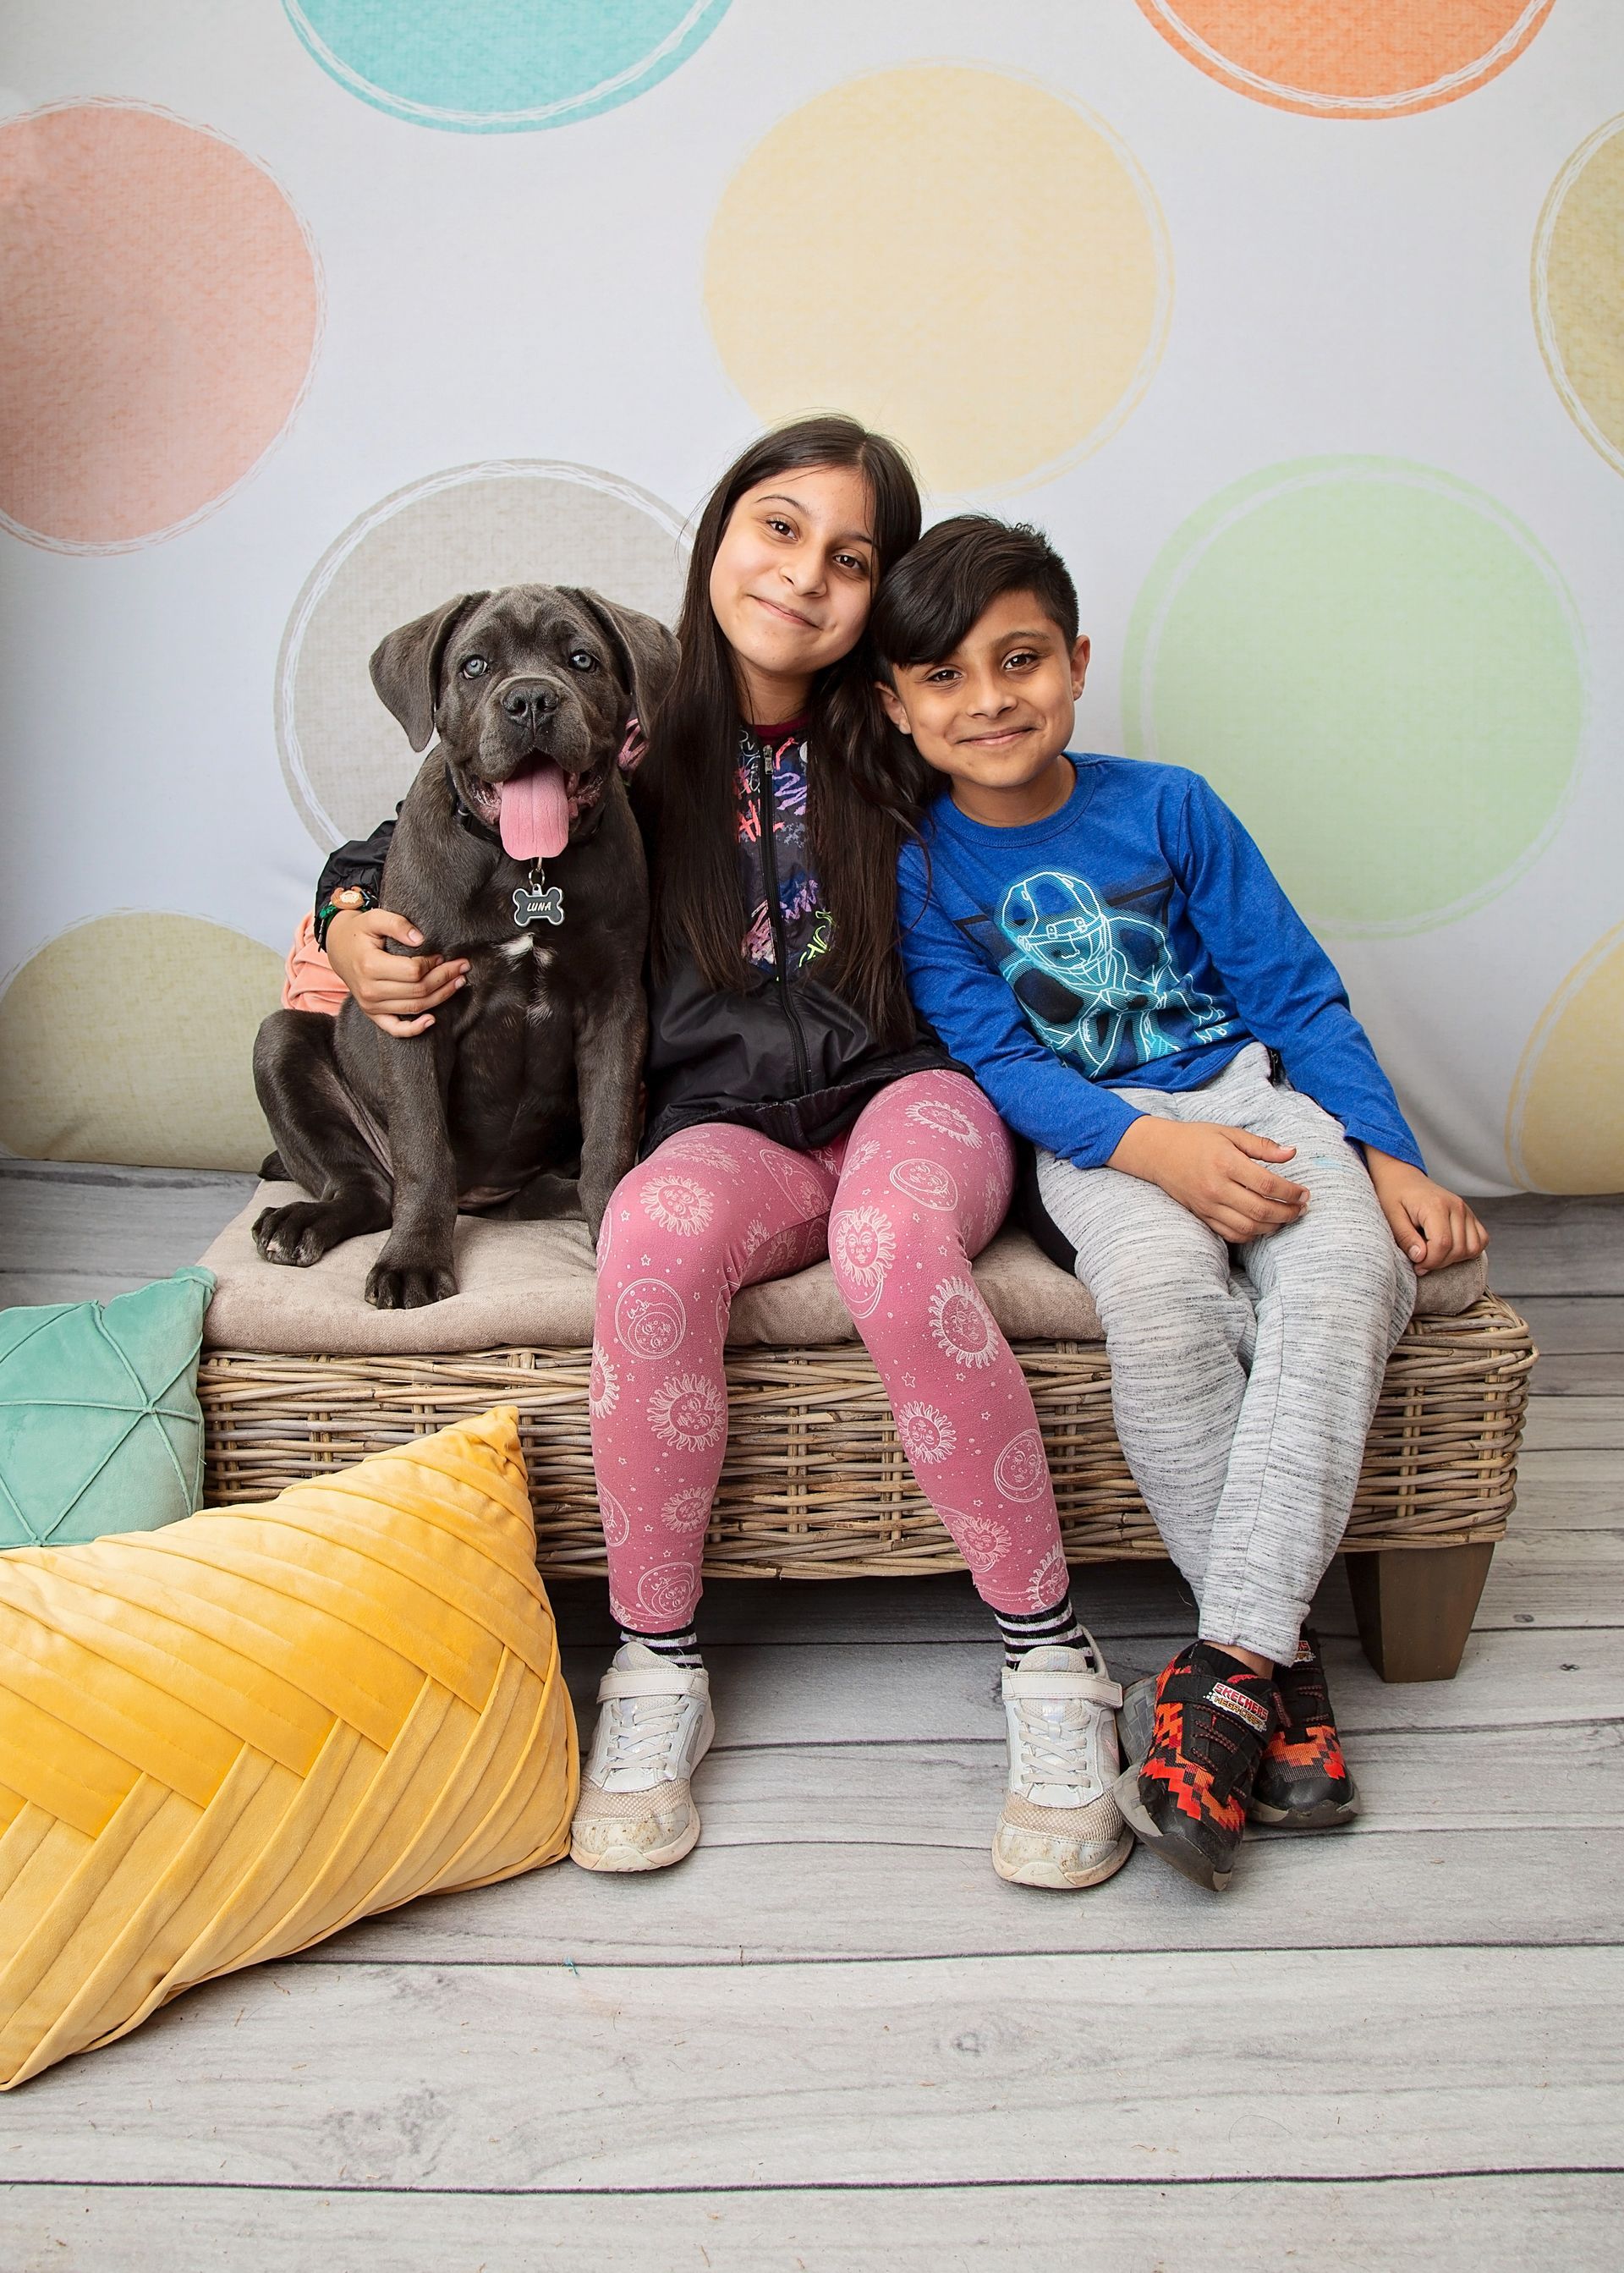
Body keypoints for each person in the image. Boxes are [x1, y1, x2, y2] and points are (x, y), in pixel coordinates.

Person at [313, 419, 1133, 1893]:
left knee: (892, 1246)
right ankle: (656, 1660)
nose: (806, 575)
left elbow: (1056, 801)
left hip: (908, 1096)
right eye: (776, 527)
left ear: (885, 597)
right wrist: (342, 919)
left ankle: (1050, 1654)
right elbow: (430, 837)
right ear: (715, 538)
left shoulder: (903, 720)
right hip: (728, 1125)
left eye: (852, 556)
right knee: (646, 1238)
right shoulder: (623, 718)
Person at [875, 513, 1487, 1894]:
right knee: (1160, 1311)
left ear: (1077, 663)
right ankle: (1285, 1682)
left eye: (1020, 659)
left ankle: (1223, 1675)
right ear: (897, 707)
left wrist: (1388, 1155)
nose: (990, 700)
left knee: (1342, 1285)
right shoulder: (920, 871)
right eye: (947, 678)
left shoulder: (1172, 807)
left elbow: (1293, 988)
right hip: (1099, 1150)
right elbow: (1000, 1057)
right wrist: (1153, 1153)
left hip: (1259, 1104)